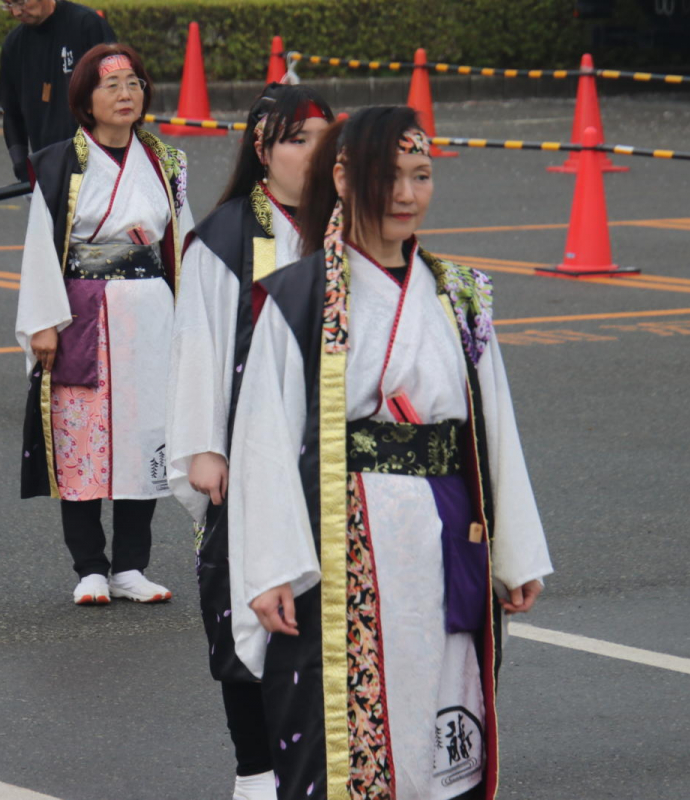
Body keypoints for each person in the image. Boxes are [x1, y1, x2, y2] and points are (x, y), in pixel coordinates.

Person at [225, 107, 553, 800]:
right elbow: (264, 441)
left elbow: (494, 424)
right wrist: (269, 569)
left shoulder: (458, 295)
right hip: (353, 535)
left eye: (422, 175)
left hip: (449, 524)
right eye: (390, 176)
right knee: (347, 727)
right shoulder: (298, 296)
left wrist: (514, 550)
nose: (407, 194)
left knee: (448, 699)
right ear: (343, 178)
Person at [167, 84, 334, 800]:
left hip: (328, 459)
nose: (316, 155)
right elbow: (198, 342)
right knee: (244, 616)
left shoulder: (350, 228)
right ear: (261, 149)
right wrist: (204, 447)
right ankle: (256, 769)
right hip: (250, 453)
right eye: (298, 140)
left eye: (326, 139)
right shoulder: (228, 235)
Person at [16, 43, 193, 606]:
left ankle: (132, 566)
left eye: (134, 83)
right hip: (81, 314)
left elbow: (183, 242)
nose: (125, 94)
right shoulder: (56, 162)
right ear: (85, 100)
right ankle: (90, 566)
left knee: (145, 436)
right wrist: (43, 322)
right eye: (111, 85)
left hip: (149, 310)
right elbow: (39, 249)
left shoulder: (167, 162)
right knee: (81, 439)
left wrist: (196, 316)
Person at [0, 0, 116, 181]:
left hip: (99, 164)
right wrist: (21, 166)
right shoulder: (14, 45)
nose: (16, 12)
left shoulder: (86, 25)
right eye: (8, 5)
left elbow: (117, 92)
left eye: (20, 2)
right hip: (48, 170)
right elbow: (11, 112)